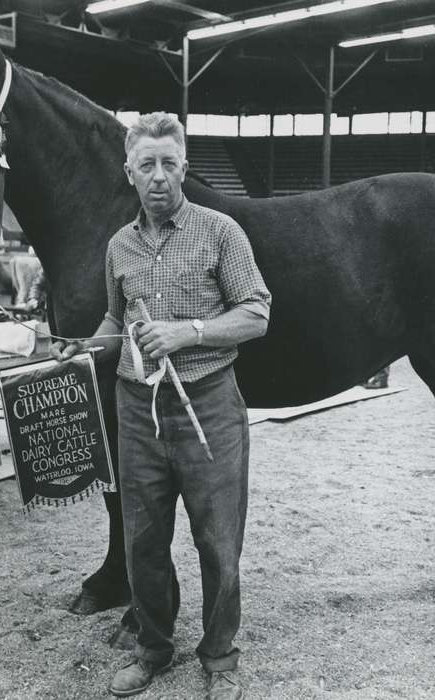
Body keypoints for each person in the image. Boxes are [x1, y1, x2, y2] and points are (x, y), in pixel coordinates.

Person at [55, 112, 270, 700]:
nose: (158, 177)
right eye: (145, 165)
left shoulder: (221, 231)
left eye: (168, 164)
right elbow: (114, 319)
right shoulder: (118, 245)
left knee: (218, 541)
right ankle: (153, 646)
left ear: (184, 166)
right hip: (136, 408)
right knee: (143, 540)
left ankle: (220, 659)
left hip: (208, 404)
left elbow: (256, 311)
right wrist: (87, 347)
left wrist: (189, 331)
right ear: (129, 172)